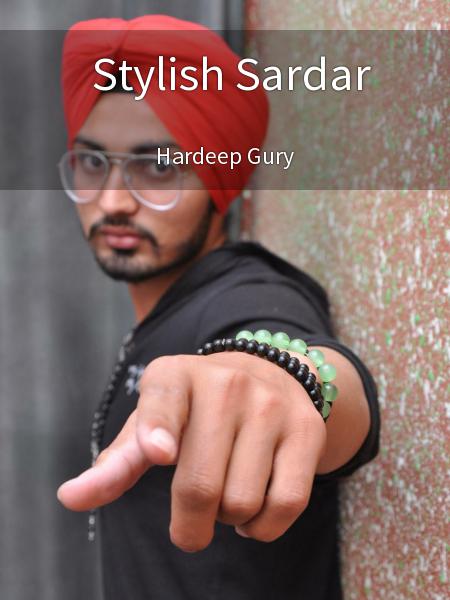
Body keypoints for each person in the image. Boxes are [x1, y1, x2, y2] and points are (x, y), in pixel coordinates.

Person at [56, 15, 380, 600]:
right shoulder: (166, 311)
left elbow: (296, 364)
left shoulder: (249, 294)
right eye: (93, 162)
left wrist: (287, 380)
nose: (113, 200)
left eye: (158, 166)